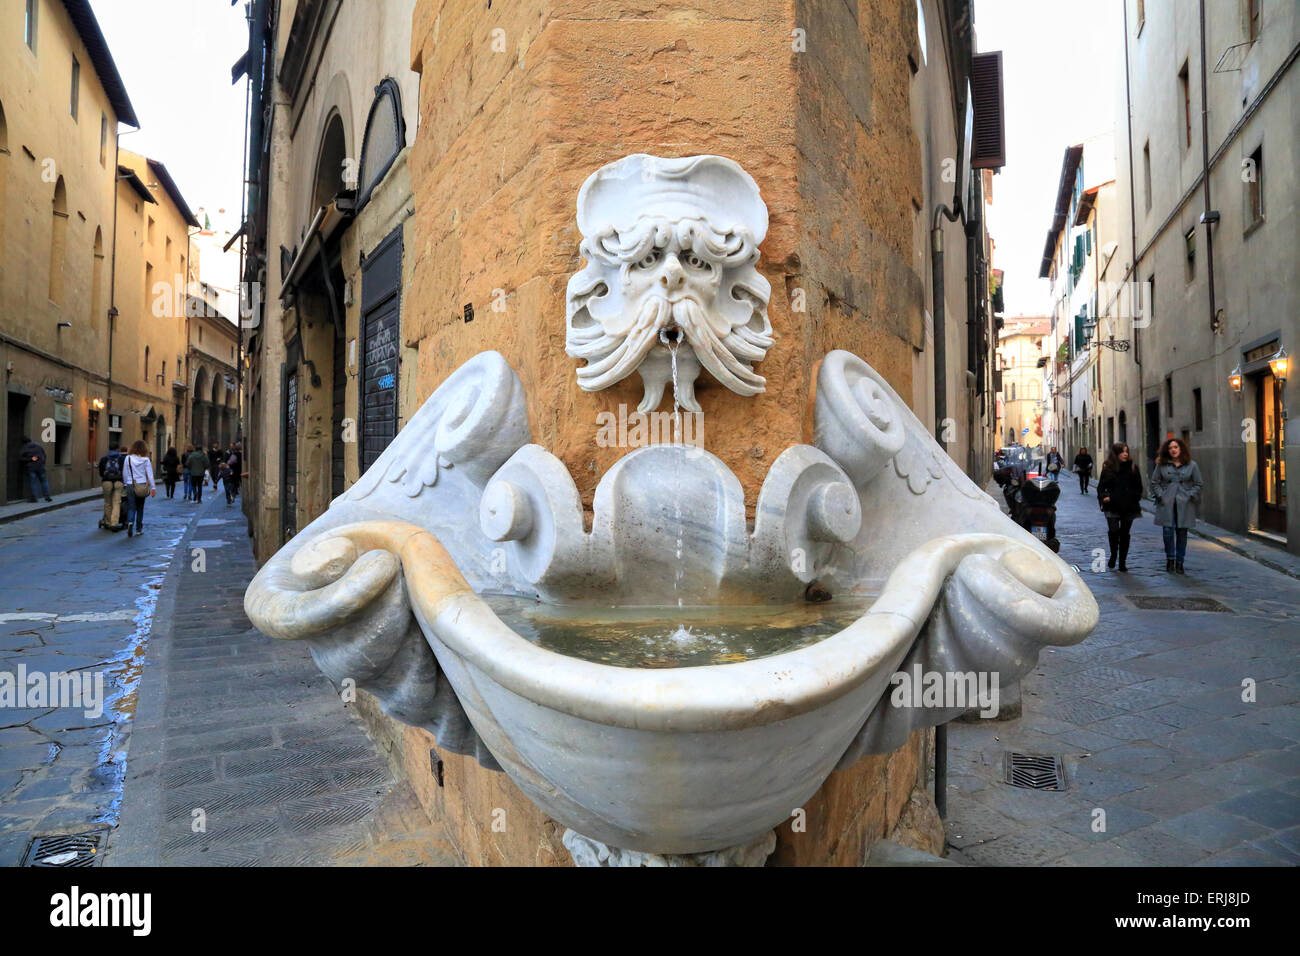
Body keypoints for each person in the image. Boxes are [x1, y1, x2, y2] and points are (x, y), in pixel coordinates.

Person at [1151, 437, 1202, 574]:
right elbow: (1155, 482)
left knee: (1182, 532)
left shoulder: (1192, 465)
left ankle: (1180, 561)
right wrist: (1161, 495)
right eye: (1170, 448)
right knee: (1167, 531)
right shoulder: (1161, 465)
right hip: (1167, 503)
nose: (1173, 450)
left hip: (1184, 504)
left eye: (1175, 447)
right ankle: (1170, 559)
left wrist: (1190, 495)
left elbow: (1198, 483)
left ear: (1181, 449)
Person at [1097, 442, 1143, 572]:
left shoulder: (1133, 468)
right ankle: (1113, 554)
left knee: (1125, 534)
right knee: (1114, 531)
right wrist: (1103, 498)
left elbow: (1138, 488)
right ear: (1116, 454)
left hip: (1128, 506)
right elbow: (1101, 487)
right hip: (1111, 505)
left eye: (1127, 451)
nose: (1125, 454)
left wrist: (1133, 498)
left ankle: (1122, 561)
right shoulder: (1108, 468)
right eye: (1122, 451)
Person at [122, 439, 156, 537]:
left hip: (130, 484)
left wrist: (125, 483)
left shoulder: (128, 458)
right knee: (140, 507)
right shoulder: (146, 460)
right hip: (142, 485)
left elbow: (124, 473)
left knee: (131, 506)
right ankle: (138, 529)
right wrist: (153, 488)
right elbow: (150, 475)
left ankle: (130, 522)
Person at [97, 444, 127, 530]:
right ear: (117, 449)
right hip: (118, 482)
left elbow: (101, 473)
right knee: (116, 503)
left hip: (106, 482)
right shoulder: (122, 459)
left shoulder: (104, 459)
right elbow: (125, 472)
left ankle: (107, 522)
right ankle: (114, 523)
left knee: (107, 503)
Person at [17, 436, 51, 503]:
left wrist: (29, 459)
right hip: (41, 467)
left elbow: (20, 458)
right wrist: (43, 463)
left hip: (31, 467)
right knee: (44, 481)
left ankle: (34, 499)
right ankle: (47, 496)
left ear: (23, 443)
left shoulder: (24, 448)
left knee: (33, 483)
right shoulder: (38, 446)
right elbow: (44, 455)